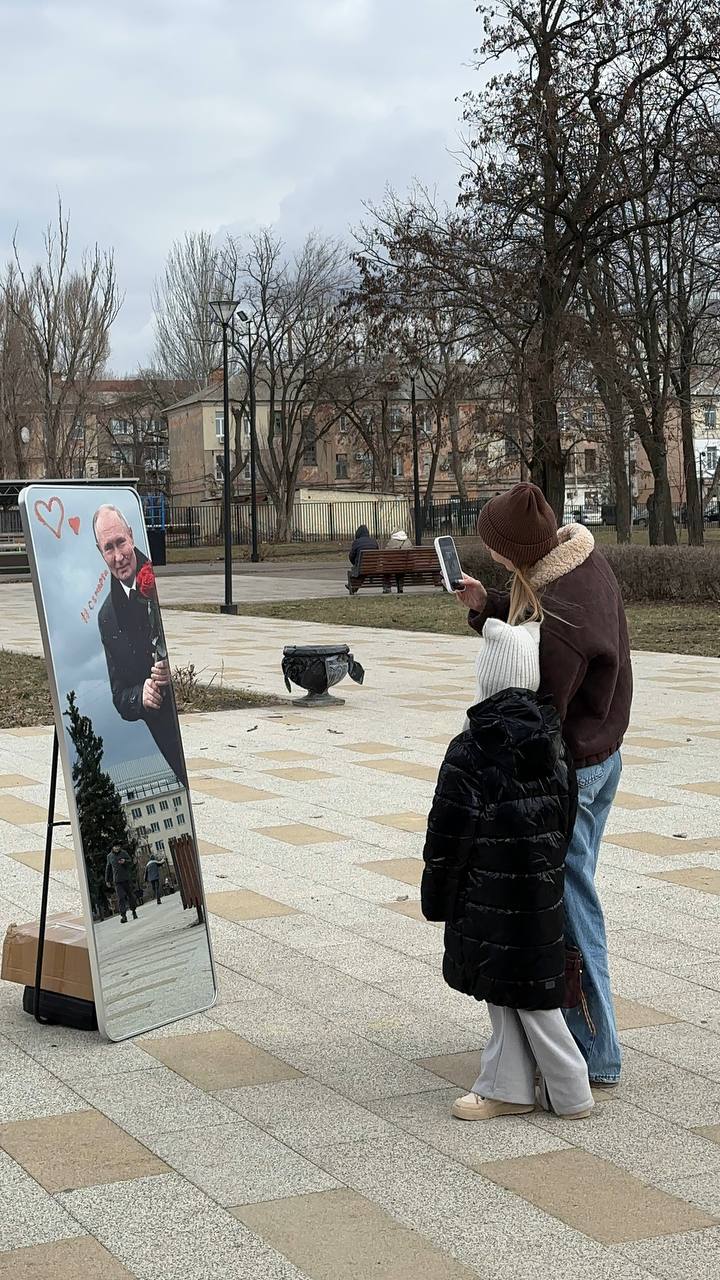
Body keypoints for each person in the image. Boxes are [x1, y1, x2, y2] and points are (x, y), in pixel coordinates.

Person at [456, 483, 632, 1090]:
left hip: (577, 767)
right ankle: (583, 1034)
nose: (495, 559)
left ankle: (597, 1050)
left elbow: (538, 708)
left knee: (570, 901)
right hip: (601, 752)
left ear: (519, 551)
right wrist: (489, 607)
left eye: (498, 553)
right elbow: (538, 608)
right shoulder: (579, 562)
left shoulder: (564, 618)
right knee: (575, 891)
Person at [422, 617, 593, 1120]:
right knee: (512, 994)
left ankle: (571, 1089)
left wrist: (438, 897)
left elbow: (447, 835)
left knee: (529, 1003)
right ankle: (509, 1087)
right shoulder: (554, 739)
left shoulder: (471, 747)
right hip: (539, 893)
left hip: (487, 898)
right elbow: (566, 821)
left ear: (487, 678)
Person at [94, 505, 187, 786]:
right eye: (108, 548)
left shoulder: (168, 580)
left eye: (121, 542)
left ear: (132, 536)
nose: (119, 556)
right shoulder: (106, 617)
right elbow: (120, 694)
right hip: (162, 743)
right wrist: (141, 695)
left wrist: (177, 669)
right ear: (100, 552)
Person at [105, 843, 138, 924]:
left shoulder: (124, 853)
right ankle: (123, 916)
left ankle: (133, 911)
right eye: (115, 847)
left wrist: (125, 861)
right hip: (117, 881)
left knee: (130, 896)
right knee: (121, 898)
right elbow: (108, 868)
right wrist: (107, 880)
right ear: (112, 847)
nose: (117, 848)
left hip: (126, 879)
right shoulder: (109, 856)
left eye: (118, 846)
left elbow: (130, 862)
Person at [346, 524, 379, 592]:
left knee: (360, 569)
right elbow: (377, 555)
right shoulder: (374, 541)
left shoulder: (356, 542)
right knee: (365, 568)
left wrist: (355, 564)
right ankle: (354, 587)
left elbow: (351, 556)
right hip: (374, 566)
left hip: (361, 566)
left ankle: (354, 586)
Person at [383, 529, 412, 594]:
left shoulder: (392, 541)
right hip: (406, 565)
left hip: (393, 565)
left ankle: (387, 587)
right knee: (400, 567)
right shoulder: (408, 541)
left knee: (387, 568)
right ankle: (400, 587)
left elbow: (386, 553)